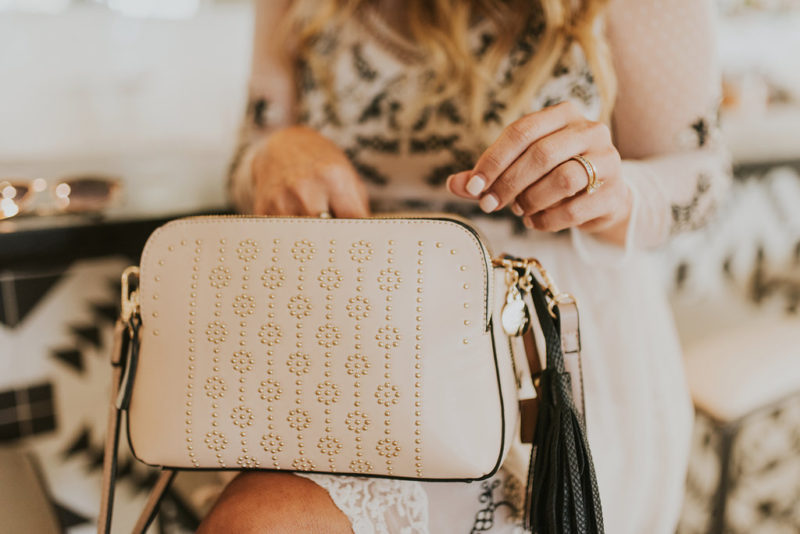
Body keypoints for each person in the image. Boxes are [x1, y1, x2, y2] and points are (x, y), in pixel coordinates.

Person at [199, 0, 730, 532]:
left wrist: (608, 192)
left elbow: (703, 180)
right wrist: (276, 154)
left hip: (540, 362)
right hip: (353, 352)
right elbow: (253, 151)